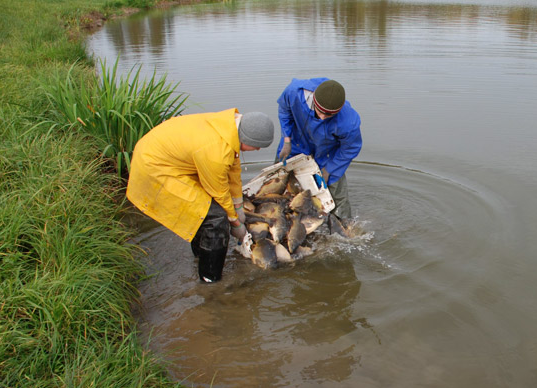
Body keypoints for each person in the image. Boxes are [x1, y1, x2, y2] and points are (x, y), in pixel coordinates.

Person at [126, 108, 274, 283]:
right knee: (215, 217)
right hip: (155, 167)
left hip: (168, 156)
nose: (257, 149)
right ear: (246, 138)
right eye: (256, 146)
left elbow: (233, 171)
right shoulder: (215, 151)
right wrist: (235, 222)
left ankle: (201, 254)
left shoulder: (228, 130)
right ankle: (210, 279)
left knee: (207, 210)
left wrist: (238, 204)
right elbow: (219, 192)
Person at [276, 78, 362, 219]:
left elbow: (350, 149)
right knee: (280, 182)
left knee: (337, 194)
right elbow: (285, 112)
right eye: (320, 111)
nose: (322, 117)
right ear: (314, 101)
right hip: (295, 143)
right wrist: (286, 139)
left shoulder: (349, 121)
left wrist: (329, 170)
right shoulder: (294, 93)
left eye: (328, 115)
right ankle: (286, 219)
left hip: (327, 153)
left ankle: (344, 225)